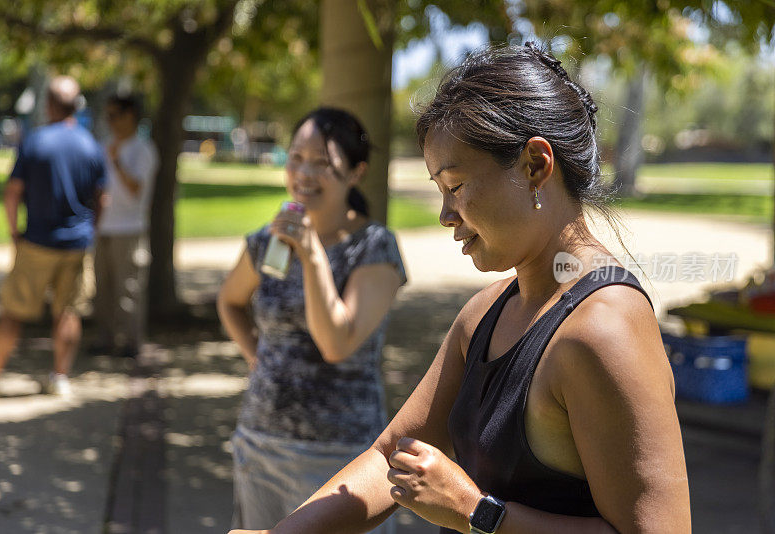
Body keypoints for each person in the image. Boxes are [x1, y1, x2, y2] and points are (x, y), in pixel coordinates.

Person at [229, 43, 690, 534]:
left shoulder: (604, 327)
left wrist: (478, 512)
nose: (446, 215)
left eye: (456, 186)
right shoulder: (484, 314)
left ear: (535, 165)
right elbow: (392, 458)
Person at [217, 107, 407, 532]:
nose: (303, 172)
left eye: (322, 163)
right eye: (296, 158)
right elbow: (229, 300)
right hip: (261, 445)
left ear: (356, 173)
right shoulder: (271, 241)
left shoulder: (373, 247)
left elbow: (337, 343)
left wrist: (311, 253)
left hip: (343, 460)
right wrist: (256, 357)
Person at [0, 76, 107, 398]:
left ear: (48, 104)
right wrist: (92, 231)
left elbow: (12, 192)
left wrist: (13, 232)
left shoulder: (35, 141)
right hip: (77, 244)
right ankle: (59, 377)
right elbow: (102, 199)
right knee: (68, 311)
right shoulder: (91, 145)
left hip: (35, 241)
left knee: (13, 311)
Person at [92, 94, 158, 359]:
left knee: (128, 290)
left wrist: (117, 162)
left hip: (130, 228)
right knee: (102, 289)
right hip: (103, 227)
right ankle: (105, 339)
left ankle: (131, 342)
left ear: (130, 115)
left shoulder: (144, 149)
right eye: (106, 116)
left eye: (114, 115)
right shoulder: (104, 145)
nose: (110, 122)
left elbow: (135, 190)